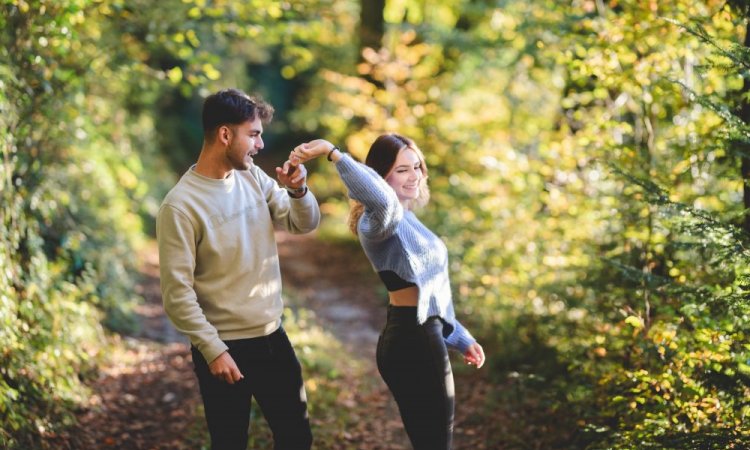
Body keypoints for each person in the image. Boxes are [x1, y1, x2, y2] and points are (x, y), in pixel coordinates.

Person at [290, 134, 485, 450]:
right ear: (381, 177)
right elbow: (381, 199)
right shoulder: (380, 220)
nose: (415, 176)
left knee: (430, 441)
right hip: (414, 340)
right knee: (436, 443)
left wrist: (461, 337)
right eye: (402, 170)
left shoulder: (409, 220)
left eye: (417, 167)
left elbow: (431, 291)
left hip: (419, 334)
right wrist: (334, 154)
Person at [156, 88, 319, 450]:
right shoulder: (180, 206)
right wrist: (213, 350)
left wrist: (298, 190)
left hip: (272, 337)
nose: (260, 145)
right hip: (224, 346)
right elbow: (177, 293)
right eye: (254, 134)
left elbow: (301, 224)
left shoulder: (252, 178)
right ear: (225, 134)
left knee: (297, 437)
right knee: (229, 442)